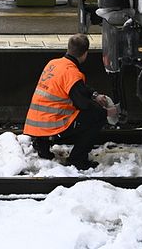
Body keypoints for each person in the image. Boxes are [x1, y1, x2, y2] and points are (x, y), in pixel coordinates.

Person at [23, 33, 117, 170]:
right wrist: (107, 112)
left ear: (68, 48)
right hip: (51, 125)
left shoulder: (53, 64)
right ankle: (77, 159)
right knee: (97, 115)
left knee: (87, 113)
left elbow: (79, 88)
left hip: (35, 125)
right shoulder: (72, 73)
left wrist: (94, 95)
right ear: (85, 54)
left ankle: (42, 145)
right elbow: (83, 104)